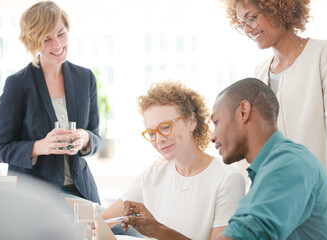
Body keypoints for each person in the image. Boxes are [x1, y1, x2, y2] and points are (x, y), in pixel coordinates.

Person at [122, 78, 327, 239]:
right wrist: (158, 230)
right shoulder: (269, 170)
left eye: (217, 122)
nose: (212, 136)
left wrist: (160, 231)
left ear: (243, 112)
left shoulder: (287, 166)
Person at [221, 0, 327, 210]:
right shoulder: (260, 73)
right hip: (278, 201)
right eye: (242, 23)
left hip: (322, 194)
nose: (248, 29)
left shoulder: (325, 53)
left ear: (279, 8)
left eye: (252, 17)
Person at [101, 81, 245, 239]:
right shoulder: (153, 173)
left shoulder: (228, 180)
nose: (159, 139)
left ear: (192, 121)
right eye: (151, 133)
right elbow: (100, 222)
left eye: (165, 127)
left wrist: (158, 230)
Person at [0, 1, 101, 203]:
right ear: (32, 42)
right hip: (37, 198)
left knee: (124, 233)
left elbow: (96, 137)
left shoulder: (85, 78)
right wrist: (41, 146)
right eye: (46, 39)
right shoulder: (18, 84)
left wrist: (84, 138)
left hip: (82, 191)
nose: (58, 45)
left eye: (61, 34)